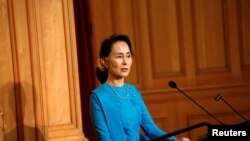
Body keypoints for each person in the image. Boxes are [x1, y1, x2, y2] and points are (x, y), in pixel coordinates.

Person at [90, 34, 190, 141]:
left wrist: (175, 140)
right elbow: (104, 138)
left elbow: (150, 128)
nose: (125, 62)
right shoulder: (98, 97)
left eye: (128, 56)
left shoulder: (133, 91)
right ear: (105, 62)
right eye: (119, 56)